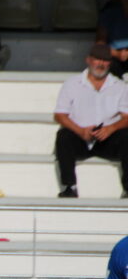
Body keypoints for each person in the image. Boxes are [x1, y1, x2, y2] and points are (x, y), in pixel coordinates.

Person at [54, 43, 128, 198]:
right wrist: (80, 130)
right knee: (64, 137)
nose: (101, 64)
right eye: (97, 59)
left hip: (107, 137)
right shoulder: (72, 84)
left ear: (110, 63)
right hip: (80, 136)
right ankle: (69, 187)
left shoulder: (120, 86)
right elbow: (60, 115)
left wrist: (111, 128)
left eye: (105, 60)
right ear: (88, 60)